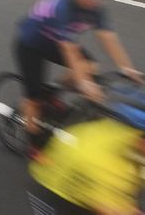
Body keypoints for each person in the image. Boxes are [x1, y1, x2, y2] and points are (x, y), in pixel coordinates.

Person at [15, 0, 143, 152]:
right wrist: (83, 83)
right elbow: (69, 48)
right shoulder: (62, 8)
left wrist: (126, 67)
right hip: (31, 45)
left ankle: (51, 93)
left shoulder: (97, 9)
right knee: (34, 99)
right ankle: (33, 143)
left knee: (90, 66)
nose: (92, 1)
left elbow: (108, 37)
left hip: (54, 42)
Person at [27, 86, 145, 214]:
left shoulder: (133, 138)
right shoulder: (105, 166)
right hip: (56, 185)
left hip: (95, 181)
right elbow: (110, 210)